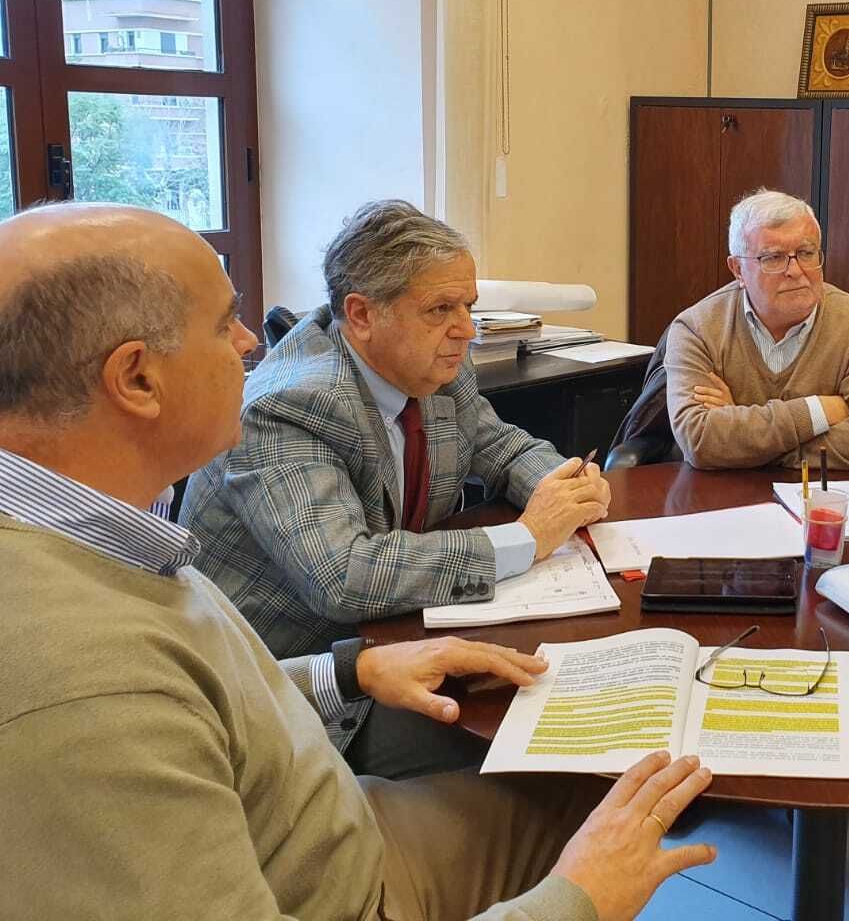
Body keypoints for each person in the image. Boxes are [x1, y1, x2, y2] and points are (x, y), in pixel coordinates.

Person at [0, 202, 715, 921]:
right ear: (136, 379)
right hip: (336, 872)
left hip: (318, 803)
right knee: (586, 772)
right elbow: (342, 577)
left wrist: (352, 670)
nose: (253, 341)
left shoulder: (105, 537)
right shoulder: (76, 669)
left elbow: (204, 693)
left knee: (595, 767)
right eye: (224, 325)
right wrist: (576, 902)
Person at [181, 199, 611, 777]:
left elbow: (503, 446)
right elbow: (345, 577)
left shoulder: (432, 365)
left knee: (570, 695)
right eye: (440, 309)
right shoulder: (288, 406)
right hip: (300, 686)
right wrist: (527, 537)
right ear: (360, 314)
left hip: (401, 636)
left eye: (468, 306)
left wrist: (569, 486)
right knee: (542, 743)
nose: (465, 329)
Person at [665, 187, 849, 470]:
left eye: (806, 253)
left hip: (822, 501)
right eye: (773, 258)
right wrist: (818, 411)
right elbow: (700, 441)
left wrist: (745, 440)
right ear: (738, 270)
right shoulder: (696, 329)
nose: (796, 270)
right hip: (725, 503)